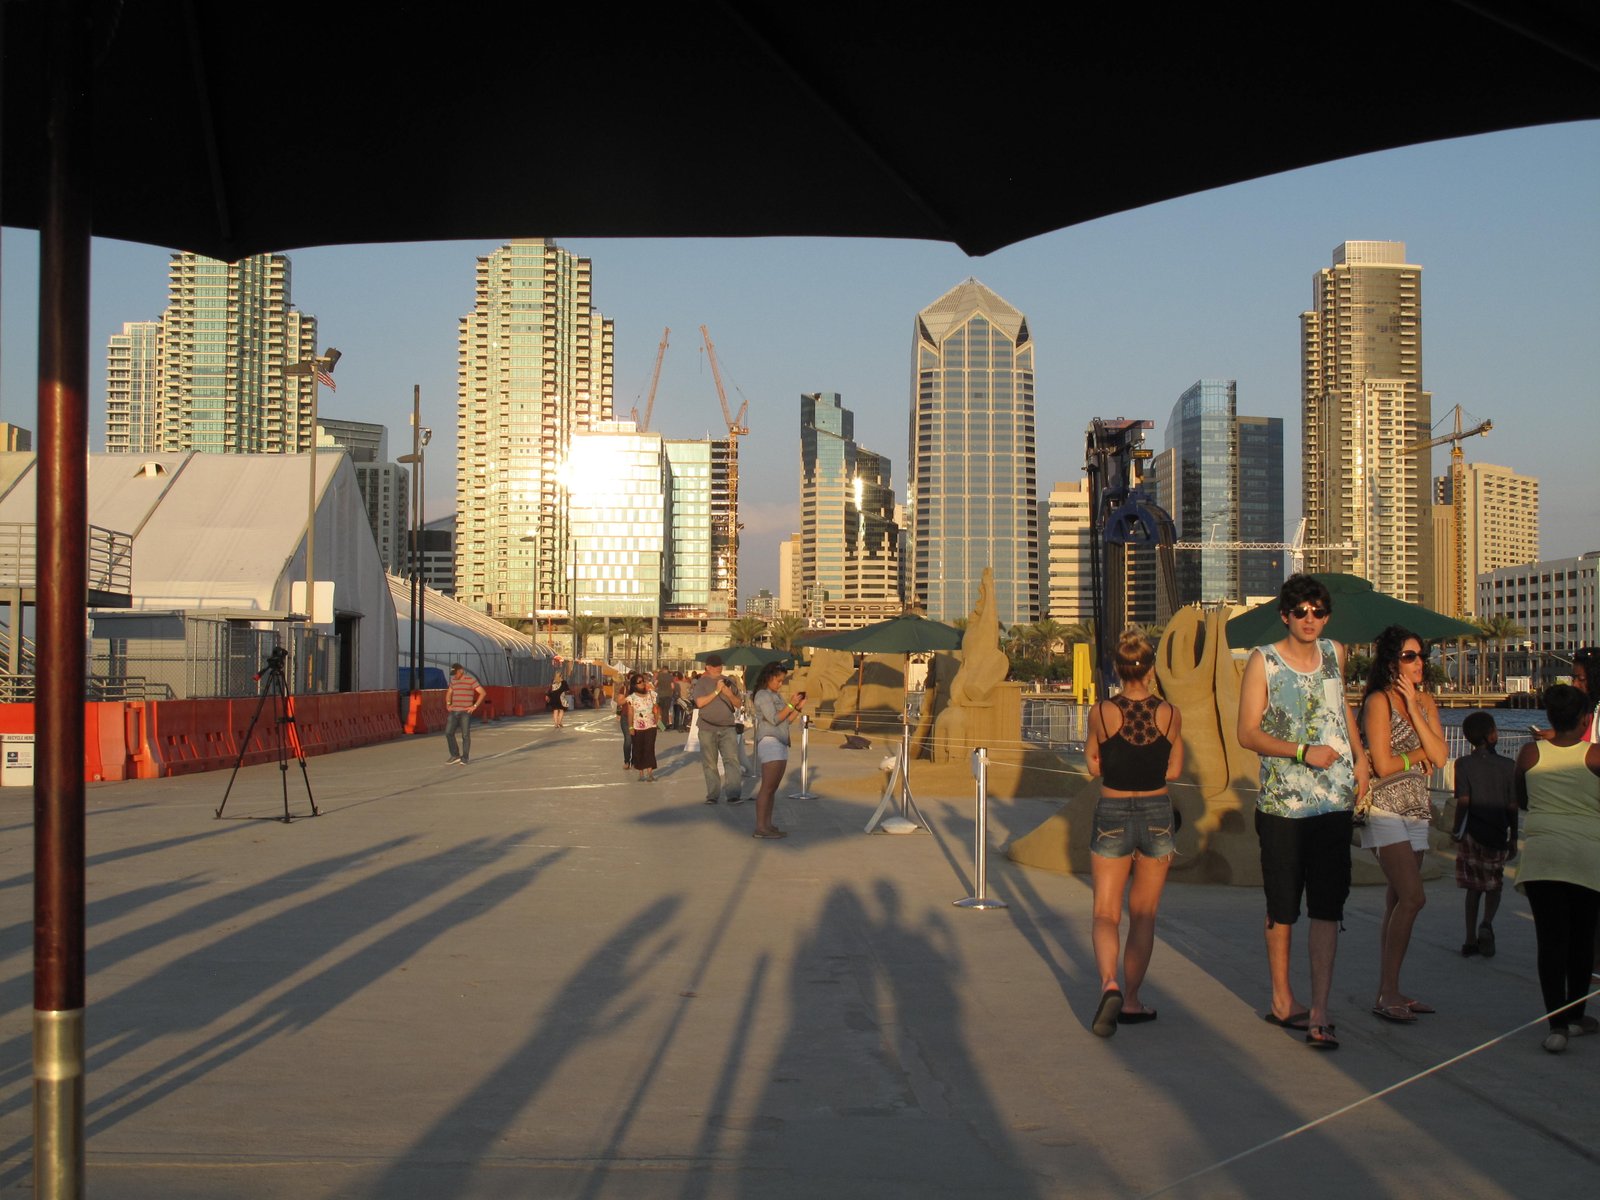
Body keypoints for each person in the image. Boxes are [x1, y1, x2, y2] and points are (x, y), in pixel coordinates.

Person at [1237, 574, 1370, 1050]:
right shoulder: (1264, 662)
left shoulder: (1336, 653)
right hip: (1283, 805)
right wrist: (1301, 751)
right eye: (1301, 612)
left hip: (1333, 802)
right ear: (1285, 616)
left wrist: (1360, 757)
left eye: (1318, 611)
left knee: (1328, 907)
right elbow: (1247, 733)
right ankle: (1281, 1000)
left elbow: (1343, 708)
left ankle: (1319, 1011)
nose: (1310, 620)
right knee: (1283, 907)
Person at [1084, 631, 1183, 1036]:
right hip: (1158, 810)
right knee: (1143, 914)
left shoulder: (1102, 712)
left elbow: (1093, 763)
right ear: (1151, 668)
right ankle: (1131, 999)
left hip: (1112, 808)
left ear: (1118, 670)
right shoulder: (1171, 714)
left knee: (1106, 912)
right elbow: (1174, 770)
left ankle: (1108, 982)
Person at [1360, 625, 1448, 1023]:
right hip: (1385, 808)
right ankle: (1387, 991)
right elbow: (1382, 763)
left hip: (1416, 807)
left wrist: (1415, 709)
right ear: (1392, 662)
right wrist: (1415, 754)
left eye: (1421, 655)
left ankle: (1389, 988)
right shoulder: (1378, 702)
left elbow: (1442, 757)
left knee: (1398, 900)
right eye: (1409, 656)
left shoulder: (1424, 701)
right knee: (1414, 897)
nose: (1418, 663)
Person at [1513, 684, 1600, 1054]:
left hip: (1542, 855)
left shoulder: (1530, 753)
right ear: (1584, 720)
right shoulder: (1595, 756)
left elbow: (1523, 800)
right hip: (1587, 856)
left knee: (1550, 942)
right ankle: (1576, 1016)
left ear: (1548, 718)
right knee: (1582, 940)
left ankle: (1557, 1026)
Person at [1451, 711, 1518, 958]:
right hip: (1497, 833)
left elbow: (1464, 801)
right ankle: (1487, 922)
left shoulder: (1463, 764)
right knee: (1494, 884)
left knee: (1473, 887)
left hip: (1472, 834)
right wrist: (1514, 837)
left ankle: (1469, 939)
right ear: (1491, 735)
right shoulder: (1508, 766)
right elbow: (1512, 805)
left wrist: (1457, 830)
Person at [750, 661, 806, 839]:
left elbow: (785, 721)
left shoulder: (774, 695)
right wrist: (790, 705)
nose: (780, 684)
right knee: (767, 787)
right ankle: (760, 827)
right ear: (769, 677)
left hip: (780, 740)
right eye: (779, 680)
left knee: (772, 787)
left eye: (782, 681)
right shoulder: (762, 695)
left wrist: (796, 709)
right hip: (770, 741)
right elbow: (774, 719)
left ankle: (767, 824)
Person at [692, 655, 746, 804]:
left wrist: (728, 694)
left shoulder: (730, 682)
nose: (718, 668)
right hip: (707, 728)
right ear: (707, 667)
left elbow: (738, 704)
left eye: (720, 665)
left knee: (732, 761)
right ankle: (713, 795)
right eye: (714, 665)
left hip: (728, 728)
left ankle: (733, 794)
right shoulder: (701, 683)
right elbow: (700, 703)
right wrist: (717, 691)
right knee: (710, 763)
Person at [444, 663, 486, 765]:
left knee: (465, 735)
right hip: (454, 711)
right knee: (448, 732)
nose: (455, 676)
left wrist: (474, 706)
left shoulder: (470, 680)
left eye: (456, 673)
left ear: (461, 671)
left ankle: (465, 757)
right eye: (453, 674)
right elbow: (449, 693)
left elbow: (482, 693)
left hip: (465, 712)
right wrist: (448, 704)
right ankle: (455, 755)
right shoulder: (453, 681)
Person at [626, 673, 661, 782]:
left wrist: (658, 722)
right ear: (634, 685)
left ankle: (650, 773)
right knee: (638, 749)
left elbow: (656, 709)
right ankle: (641, 772)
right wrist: (630, 727)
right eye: (639, 682)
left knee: (649, 748)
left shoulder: (652, 694)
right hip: (637, 727)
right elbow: (630, 713)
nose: (642, 683)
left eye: (643, 681)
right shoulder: (631, 698)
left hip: (651, 725)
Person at [616, 673, 637, 772]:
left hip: (638, 718)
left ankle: (634, 761)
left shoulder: (641, 689)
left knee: (636, 740)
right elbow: (619, 702)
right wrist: (628, 698)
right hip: (625, 717)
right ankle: (627, 761)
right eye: (630, 678)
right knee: (628, 739)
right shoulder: (624, 689)